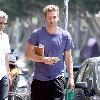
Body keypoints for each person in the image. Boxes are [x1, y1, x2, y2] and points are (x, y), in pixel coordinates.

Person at [25, 4, 74, 100]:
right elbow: (28, 54)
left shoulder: (65, 36)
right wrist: (43, 59)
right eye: (49, 17)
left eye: (54, 17)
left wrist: (71, 77)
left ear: (58, 18)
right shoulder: (37, 34)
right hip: (39, 81)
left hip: (57, 80)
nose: (52, 20)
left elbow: (68, 58)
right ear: (45, 18)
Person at [0, 10, 10, 100]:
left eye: (4, 23)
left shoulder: (5, 37)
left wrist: (8, 74)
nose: (2, 25)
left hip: (3, 75)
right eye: (0, 22)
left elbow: (6, 56)